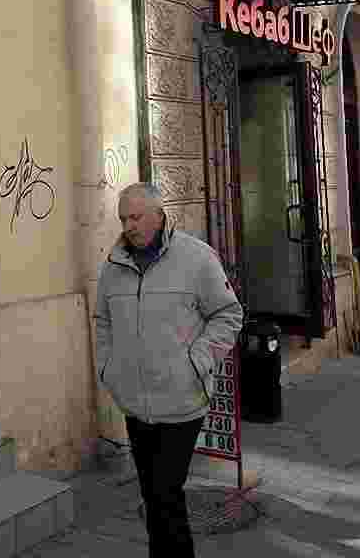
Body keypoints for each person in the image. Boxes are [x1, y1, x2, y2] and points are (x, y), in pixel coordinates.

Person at [94, 183, 244, 558]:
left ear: (159, 216)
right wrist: (109, 368)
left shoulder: (197, 257)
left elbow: (228, 315)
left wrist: (197, 361)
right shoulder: (113, 266)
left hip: (182, 402)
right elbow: (103, 321)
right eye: (123, 219)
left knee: (165, 495)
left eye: (135, 217)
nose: (128, 226)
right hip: (135, 403)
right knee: (153, 496)